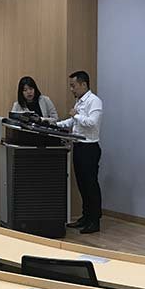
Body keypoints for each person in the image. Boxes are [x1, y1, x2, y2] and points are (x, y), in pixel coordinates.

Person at [57, 71, 103, 234]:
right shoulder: (79, 101)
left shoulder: (94, 101)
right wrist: (55, 125)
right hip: (78, 146)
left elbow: (92, 123)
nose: (71, 89)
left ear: (84, 84)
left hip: (89, 148)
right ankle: (85, 217)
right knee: (82, 185)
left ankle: (94, 221)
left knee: (91, 185)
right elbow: (72, 121)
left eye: (73, 86)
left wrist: (76, 115)